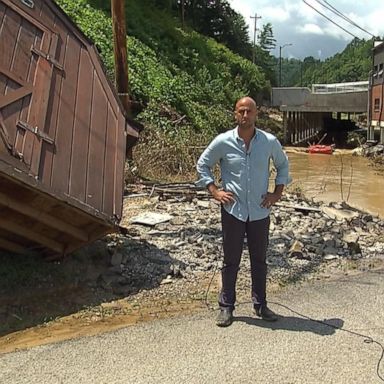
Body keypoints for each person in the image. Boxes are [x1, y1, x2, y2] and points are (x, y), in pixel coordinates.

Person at [196, 96, 291, 327]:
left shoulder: (269, 141)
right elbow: (203, 164)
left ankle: (260, 305)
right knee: (231, 261)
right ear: (235, 114)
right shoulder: (223, 141)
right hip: (233, 211)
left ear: (256, 114)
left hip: (260, 211)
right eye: (241, 111)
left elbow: (283, 165)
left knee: (259, 261)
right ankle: (226, 307)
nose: (245, 115)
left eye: (249, 111)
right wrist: (215, 191)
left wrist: (276, 194)